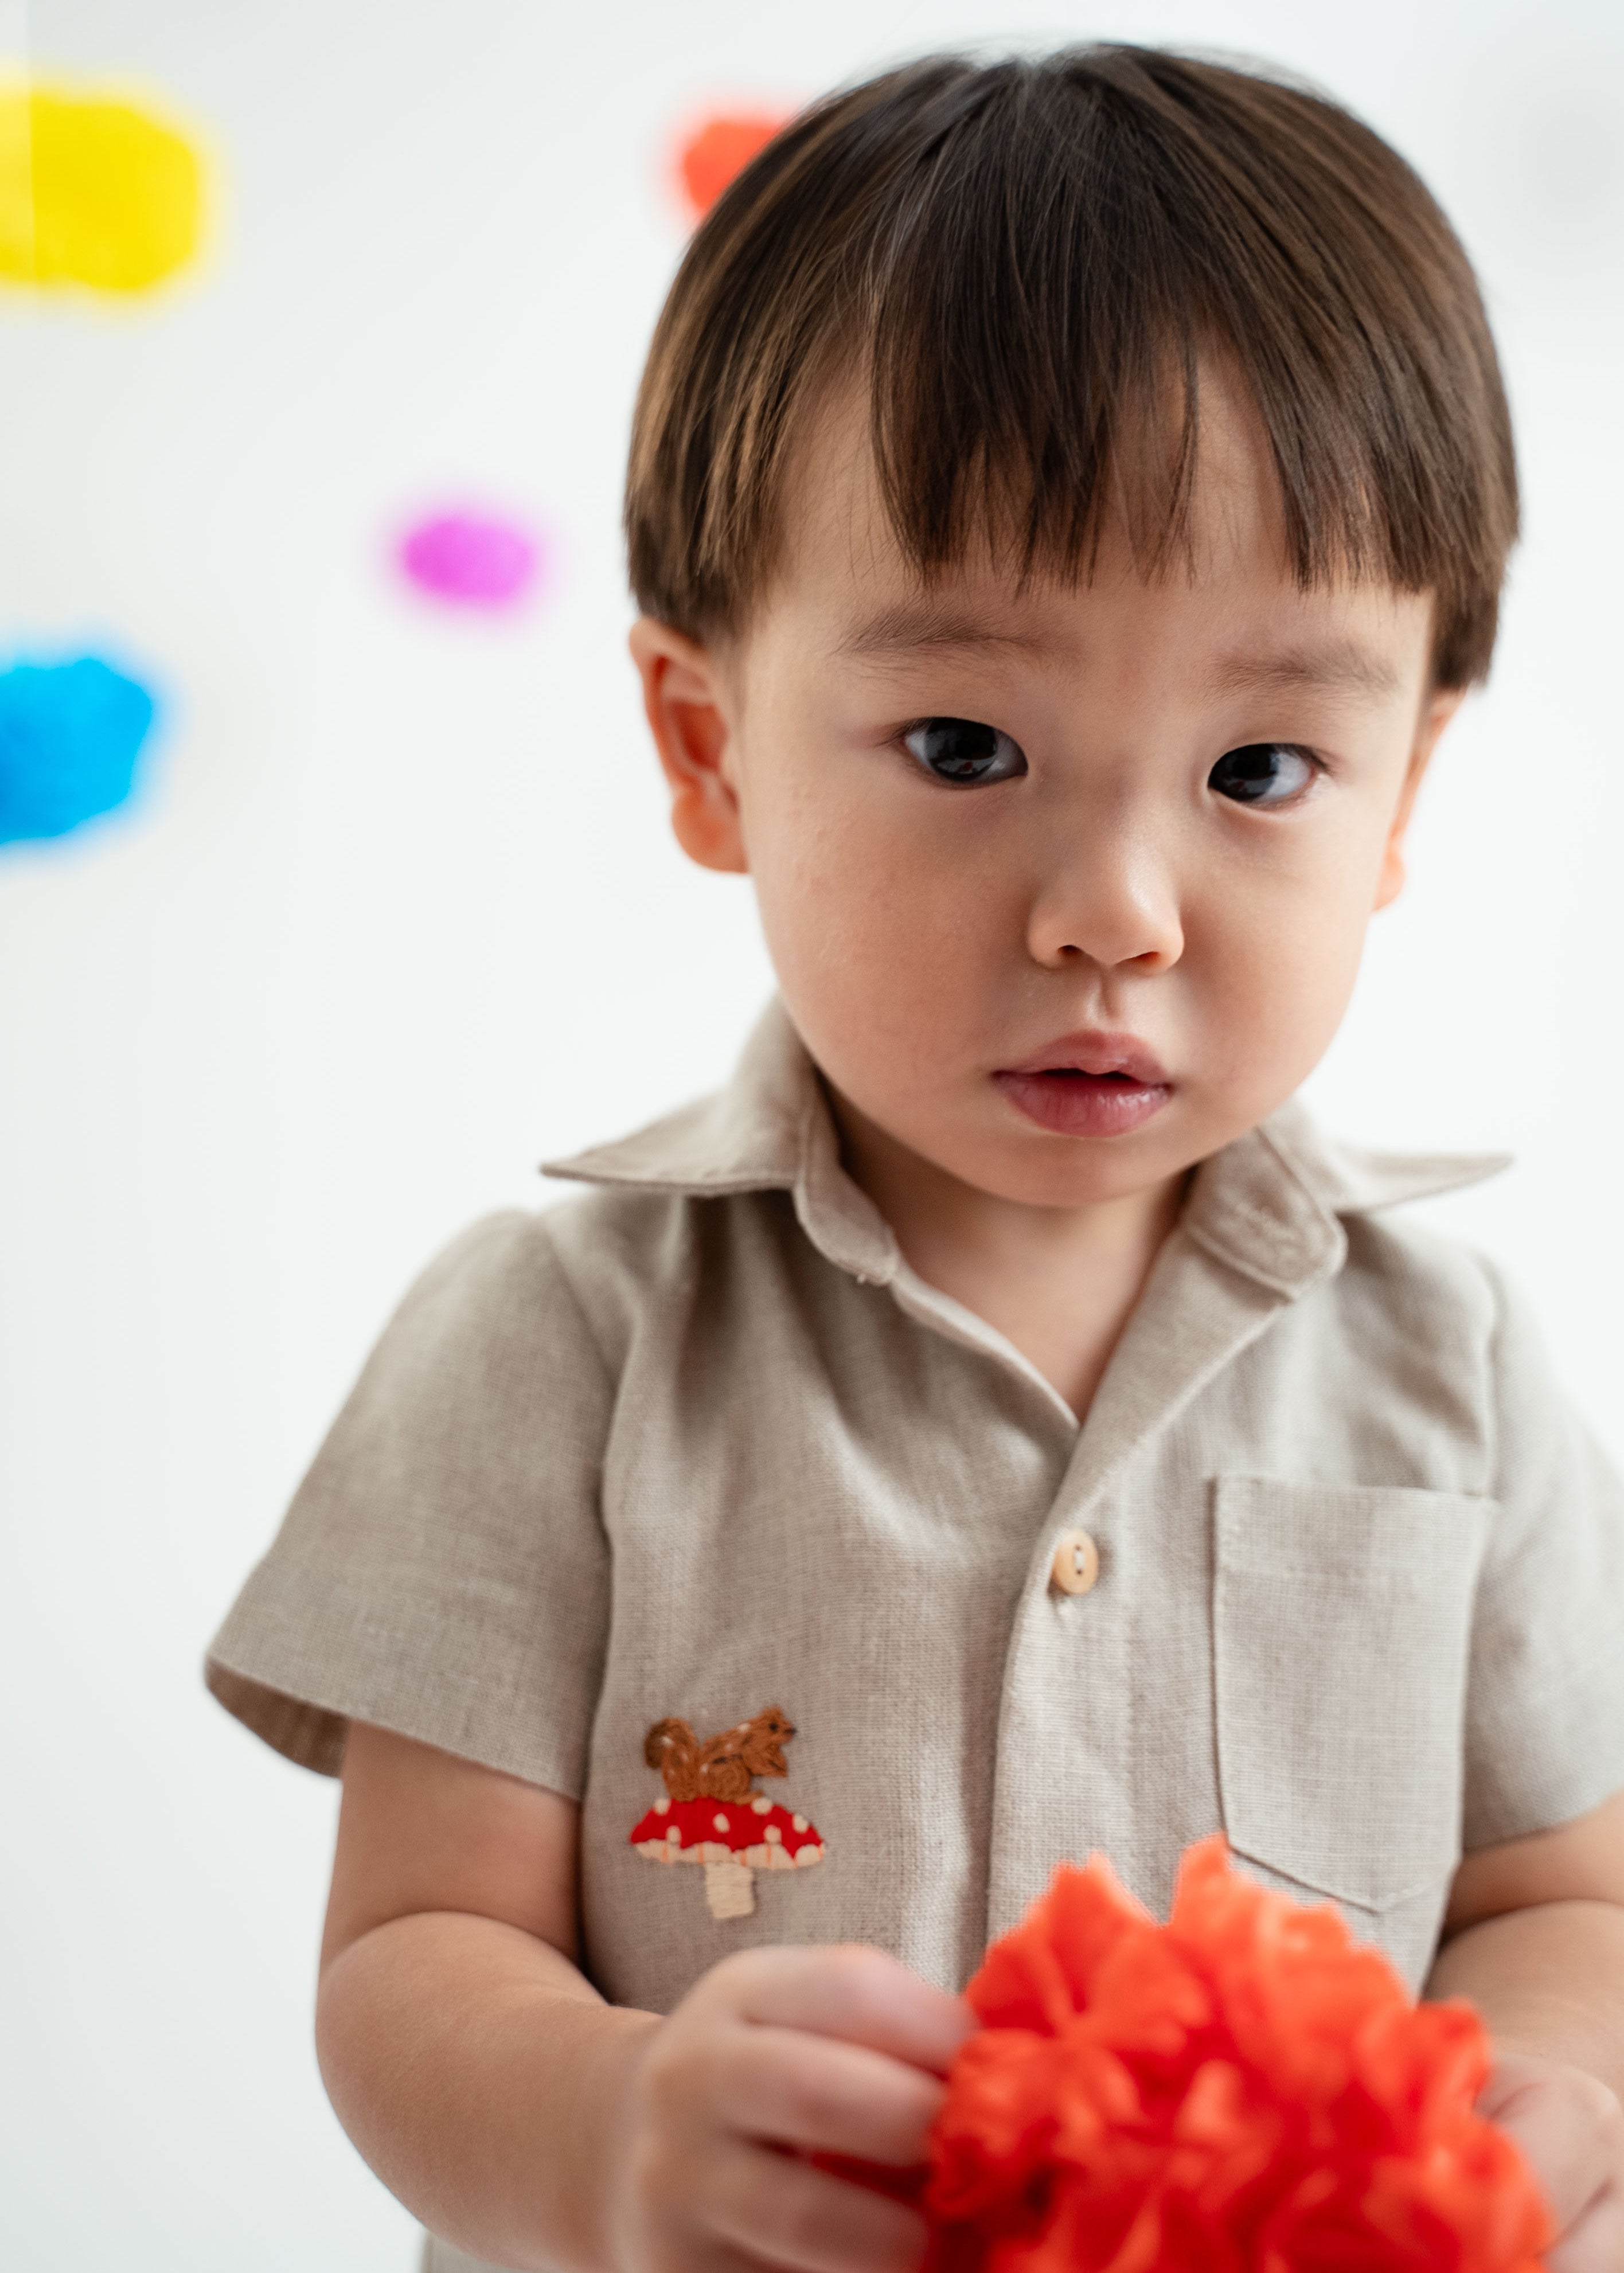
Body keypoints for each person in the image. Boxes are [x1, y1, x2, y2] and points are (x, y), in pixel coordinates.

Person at [206, 45, 1624, 2273]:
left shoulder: (1460, 1373)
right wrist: (611, 2129)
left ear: (1410, 791)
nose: (1116, 907)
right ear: (710, 750)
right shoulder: (557, 1342)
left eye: (1265, 764)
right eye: (968, 744)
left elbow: (1565, 1892)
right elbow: (411, 1956)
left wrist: (1537, 2114)